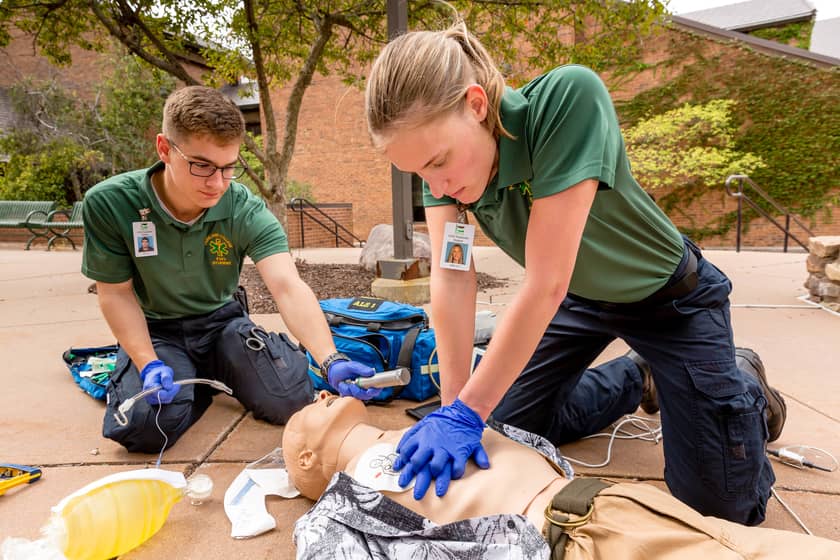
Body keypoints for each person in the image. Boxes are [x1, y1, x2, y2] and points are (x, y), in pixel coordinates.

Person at [363, 23, 787, 525]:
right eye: (420, 175)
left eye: (438, 162)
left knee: (719, 510)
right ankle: (640, 374)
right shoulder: (445, 171)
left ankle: (741, 382)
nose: (437, 186)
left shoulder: (568, 99)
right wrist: (453, 407)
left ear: (476, 105)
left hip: (670, 299)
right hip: (581, 301)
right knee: (511, 428)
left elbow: (546, 283)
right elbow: (453, 277)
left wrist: (466, 413)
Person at [81, 86, 380, 454]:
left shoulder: (243, 207)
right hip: (155, 329)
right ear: (164, 149)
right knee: (145, 428)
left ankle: (206, 376)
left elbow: (287, 286)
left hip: (221, 323)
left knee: (291, 401)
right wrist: (146, 361)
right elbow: (115, 293)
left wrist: (330, 359)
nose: (217, 183)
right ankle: (195, 384)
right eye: (202, 166)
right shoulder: (111, 202)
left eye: (228, 168)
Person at [283, 393, 839, 559]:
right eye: (309, 410)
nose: (321, 395)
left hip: (620, 501)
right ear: (305, 460)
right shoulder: (335, 514)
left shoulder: (435, 422)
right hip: (570, 543)